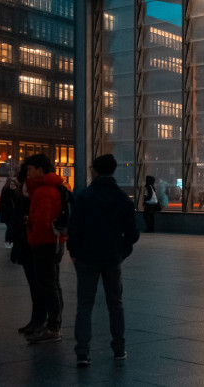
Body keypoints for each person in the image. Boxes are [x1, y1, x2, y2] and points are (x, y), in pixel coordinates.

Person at [67, 153, 139, 367]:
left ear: (95, 171)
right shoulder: (123, 199)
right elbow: (132, 234)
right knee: (115, 303)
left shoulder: (85, 197)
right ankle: (119, 349)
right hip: (112, 258)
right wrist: (120, 252)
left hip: (87, 258)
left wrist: (74, 252)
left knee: (85, 304)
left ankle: (83, 353)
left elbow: (75, 228)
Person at [22, 153, 67, 344]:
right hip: (55, 242)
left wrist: (32, 239)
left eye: (30, 170)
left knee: (47, 284)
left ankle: (53, 326)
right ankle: (53, 323)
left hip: (45, 243)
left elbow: (41, 222)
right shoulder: (51, 188)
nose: (27, 174)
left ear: (40, 170)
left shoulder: (44, 191)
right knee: (52, 283)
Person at [4, 165, 46, 335]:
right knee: (36, 285)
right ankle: (37, 319)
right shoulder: (25, 195)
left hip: (32, 244)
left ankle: (40, 319)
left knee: (38, 285)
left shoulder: (34, 196)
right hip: (27, 243)